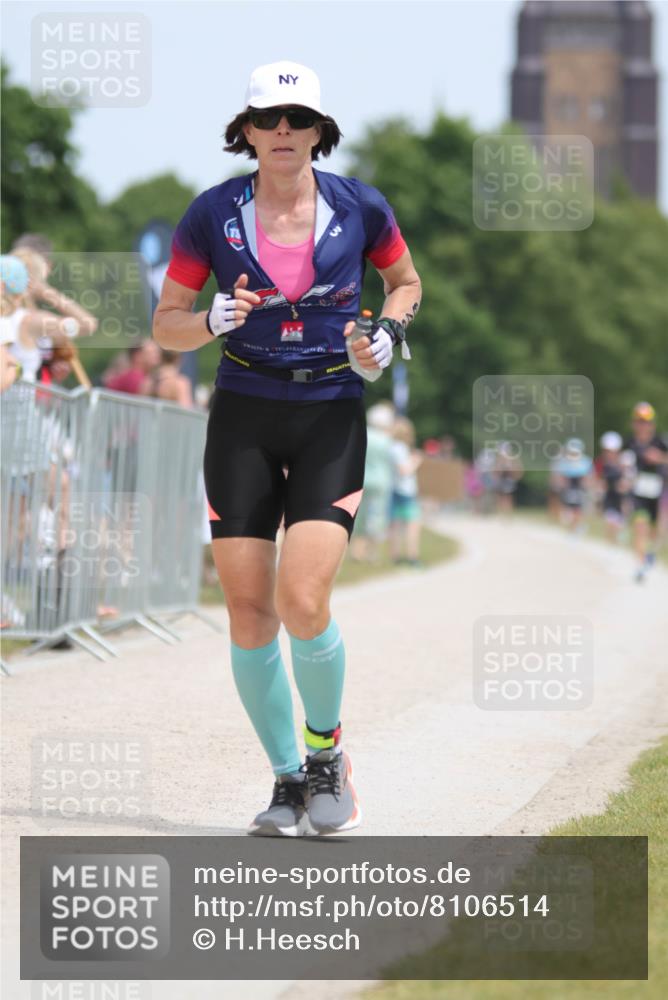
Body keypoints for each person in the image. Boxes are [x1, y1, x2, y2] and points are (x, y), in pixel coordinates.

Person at [153, 61, 421, 836]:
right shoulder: (211, 215)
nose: (281, 132)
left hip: (330, 410)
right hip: (243, 409)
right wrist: (211, 323)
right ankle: (284, 782)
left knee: (302, 601)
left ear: (318, 131)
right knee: (246, 609)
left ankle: (326, 756)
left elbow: (404, 284)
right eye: (268, 118)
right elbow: (166, 321)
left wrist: (387, 333)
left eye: (297, 119)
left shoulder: (360, 206)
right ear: (244, 129)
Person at [624, 402, 668, 583]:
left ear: (652, 424)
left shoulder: (661, 441)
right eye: (639, 421)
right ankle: (640, 565)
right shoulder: (629, 443)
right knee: (640, 527)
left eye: (646, 422)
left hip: (658, 491)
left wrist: (659, 458)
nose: (643, 425)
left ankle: (650, 554)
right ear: (634, 423)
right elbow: (623, 466)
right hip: (638, 493)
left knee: (656, 531)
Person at [350, 401, 395, 564]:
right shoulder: (387, 440)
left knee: (359, 516)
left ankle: (356, 551)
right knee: (376, 517)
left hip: (361, 479)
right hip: (381, 481)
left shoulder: (363, 434)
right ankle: (372, 553)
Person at [389, 416, 424, 566]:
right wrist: (416, 461)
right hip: (406, 491)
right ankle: (413, 557)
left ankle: (395, 556)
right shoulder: (400, 448)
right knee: (413, 525)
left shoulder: (391, 447)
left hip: (394, 489)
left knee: (396, 525)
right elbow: (404, 470)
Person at [555, 438, 593, 533]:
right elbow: (560, 476)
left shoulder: (585, 461)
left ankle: (575, 528)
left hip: (580, 488)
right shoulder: (564, 461)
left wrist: (587, 486)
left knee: (578, 509)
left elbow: (589, 477)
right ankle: (572, 528)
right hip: (568, 488)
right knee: (567, 511)